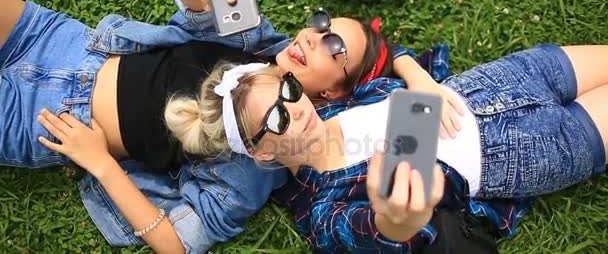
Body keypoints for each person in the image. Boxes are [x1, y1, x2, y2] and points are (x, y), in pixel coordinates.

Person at [0, 0, 458, 253]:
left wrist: (101, 164)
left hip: (46, 116)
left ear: (334, 95)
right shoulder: (259, 42)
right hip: (66, 43)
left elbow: (176, 242)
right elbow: (199, 10)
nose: (311, 36)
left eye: (332, 46)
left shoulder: (255, 169)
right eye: (321, 24)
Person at [164, 43, 608, 252]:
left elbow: (395, 54)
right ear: (262, 152)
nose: (296, 109)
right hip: (525, 151)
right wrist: (401, 220)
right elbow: (381, 231)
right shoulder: (325, 210)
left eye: (290, 91)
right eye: (276, 118)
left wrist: (418, 78)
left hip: (494, 82)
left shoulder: (333, 108)